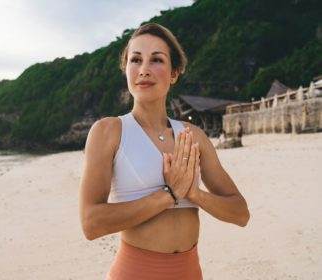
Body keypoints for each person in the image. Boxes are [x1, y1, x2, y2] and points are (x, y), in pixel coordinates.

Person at [78, 23, 250, 280]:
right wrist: (168, 195)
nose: (144, 70)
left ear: (174, 73)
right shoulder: (109, 131)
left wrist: (195, 194)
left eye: (156, 59)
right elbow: (91, 223)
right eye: (136, 60)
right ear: (126, 69)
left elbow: (240, 213)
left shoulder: (193, 136)